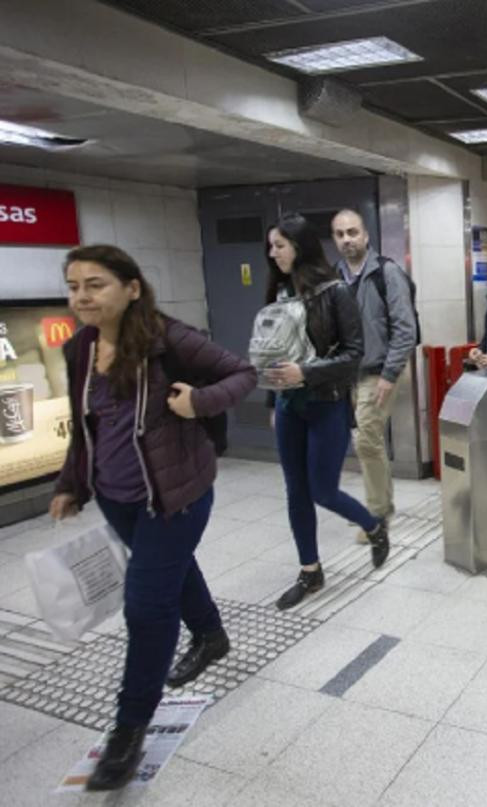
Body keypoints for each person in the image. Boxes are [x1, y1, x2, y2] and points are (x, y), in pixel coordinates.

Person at [50, 245, 257, 791]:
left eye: (95, 284)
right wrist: (71, 483)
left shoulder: (170, 339)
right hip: (116, 497)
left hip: (177, 495)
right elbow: (83, 426)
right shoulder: (79, 349)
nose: (82, 297)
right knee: (169, 572)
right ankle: (211, 636)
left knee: (146, 606)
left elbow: (243, 374)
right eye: (73, 286)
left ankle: (129, 728)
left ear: (131, 288)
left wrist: (200, 402)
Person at [263, 213, 389, 610]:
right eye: (271, 246)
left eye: (279, 245)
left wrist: (306, 372)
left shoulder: (337, 294)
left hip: (327, 404)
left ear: (299, 247)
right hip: (289, 407)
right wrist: (272, 399)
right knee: (295, 492)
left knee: (322, 490)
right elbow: (272, 351)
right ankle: (310, 571)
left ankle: (373, 525)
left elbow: (354, 356)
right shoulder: (281, 293)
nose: (273, 253)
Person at [331, 208, 417, 540]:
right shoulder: (334, 277)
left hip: (380, 371)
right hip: (348, 374)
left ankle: (378, 515)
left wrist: (390, 374)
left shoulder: (387, 272)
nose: (347, 239)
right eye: (340, 234)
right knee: (365, 440)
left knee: (366, 438)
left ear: (366, 236)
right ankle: (377, 504)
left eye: (352, 232)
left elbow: (405, 329)